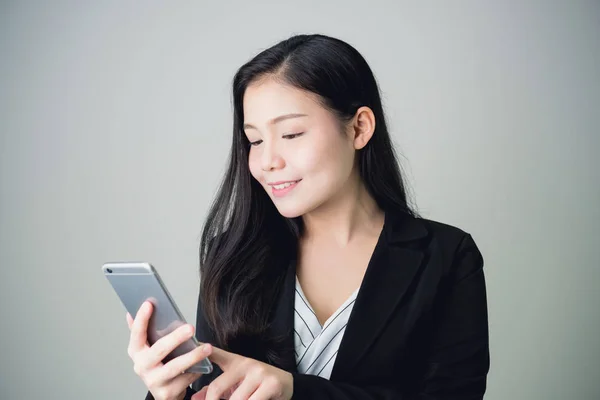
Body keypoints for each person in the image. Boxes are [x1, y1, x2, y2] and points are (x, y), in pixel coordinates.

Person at [126, 33, 490, 400]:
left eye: (291, 133)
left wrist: (294, 391)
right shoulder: (233, 255)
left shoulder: (446, 257)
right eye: (254, 140)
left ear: (359, 127)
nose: (268, 161)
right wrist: (167, 394)